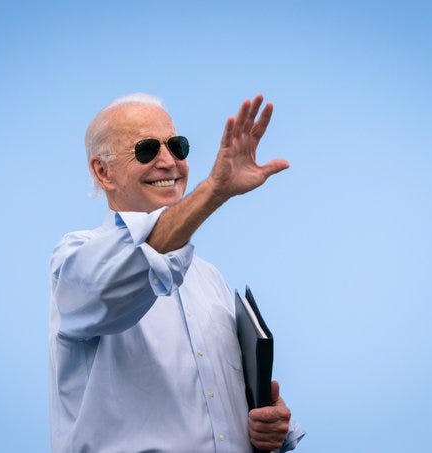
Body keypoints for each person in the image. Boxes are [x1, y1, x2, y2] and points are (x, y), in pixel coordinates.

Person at [49, 93, 305, 452]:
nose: (168, 161)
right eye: (147, 149)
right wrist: (214, 191)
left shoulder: (209, 278)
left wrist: (269, 423)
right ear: (103, 171)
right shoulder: (76, 259)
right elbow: (134, 268)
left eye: (177, 146)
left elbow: (221, 409)